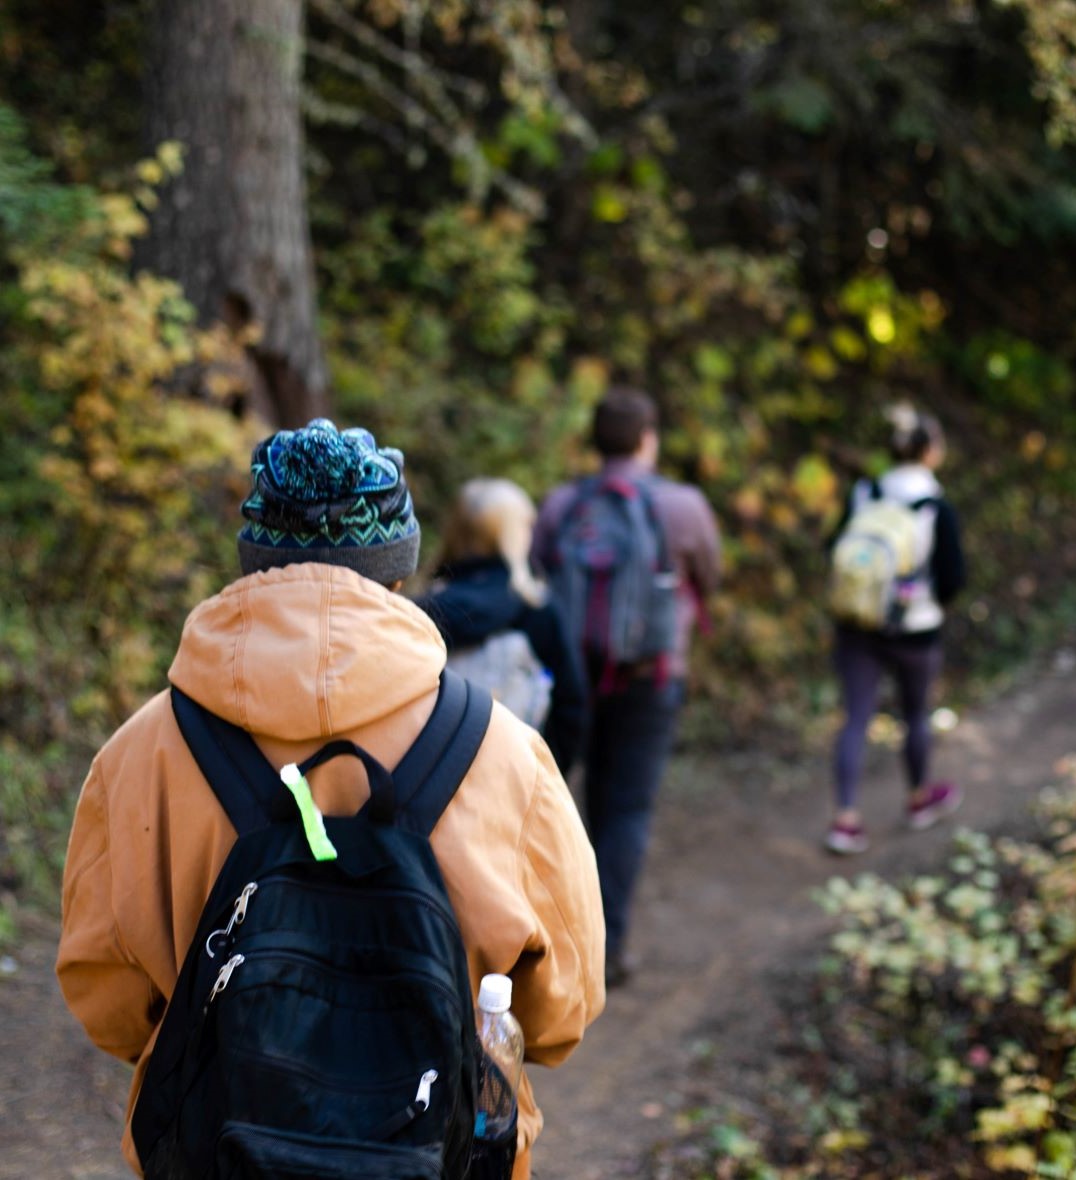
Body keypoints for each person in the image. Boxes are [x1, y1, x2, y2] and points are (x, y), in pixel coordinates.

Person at [56, 418, 606, 1180]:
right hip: (435, 1155)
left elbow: (106, 998)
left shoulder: (139, 752)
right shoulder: (504, 751)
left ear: (252, 562)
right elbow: (557, 1014)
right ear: (399, 573)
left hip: (219, 1151)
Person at [531, 386, 722, 988]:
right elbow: (709, 575)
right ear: (648, 439)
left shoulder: (563, 505)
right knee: (627, 811)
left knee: (573, 806)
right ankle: (606, 947)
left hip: (573, 677)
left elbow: (538, 575)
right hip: (652, 676)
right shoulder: (682, 506)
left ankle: (557, 934)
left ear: (594, 440)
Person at [825, 404, 967, 855]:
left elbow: (836, 551)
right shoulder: (935, 507)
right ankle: (918, 798)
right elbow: (952, 579)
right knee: (915, 715)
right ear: (929, 452)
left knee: (856, 718)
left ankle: (846, 819)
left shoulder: (864, 492)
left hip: (857, 624)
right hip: (916, 629)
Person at [416, 477, 588, 775]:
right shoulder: (536, 609)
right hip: (517, 774)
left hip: (432, 777)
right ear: (513, 536)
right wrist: (550, 775)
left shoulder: (422, 610)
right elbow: (571, 703)